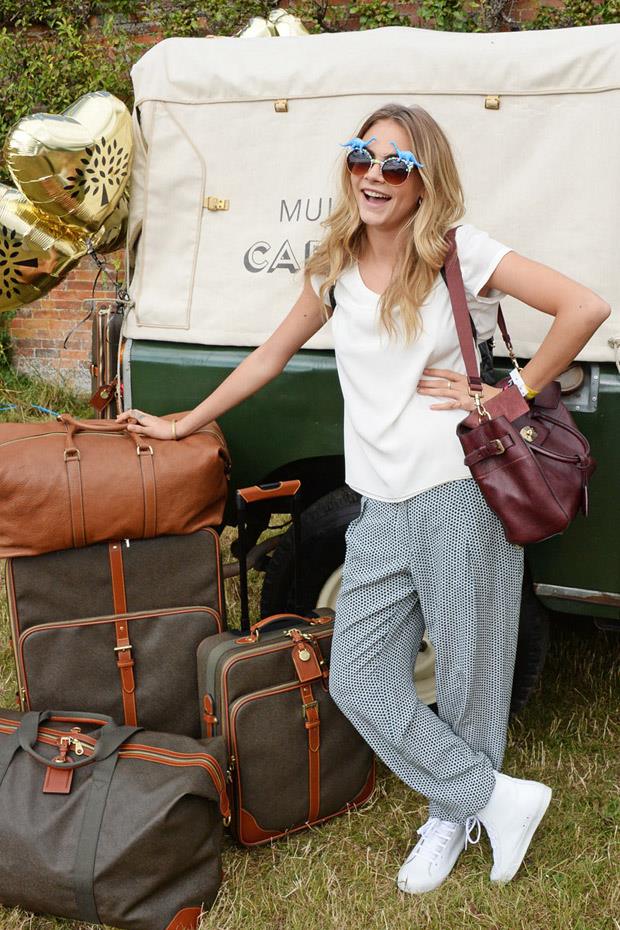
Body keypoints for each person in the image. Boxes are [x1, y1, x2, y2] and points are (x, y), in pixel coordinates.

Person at [118, 103, 610, 893]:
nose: (373, 176)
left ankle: (453, 816)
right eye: (361, 157)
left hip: (457, 495)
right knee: (357, 677)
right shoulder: (334, 266)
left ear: (424, 182)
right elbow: (269, 357)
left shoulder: (459, 253)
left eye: (395, 165)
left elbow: (584, 307)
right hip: (378, 504)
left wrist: (507, 394)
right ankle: (494, 799)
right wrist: (184, 421)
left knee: (470, 680)